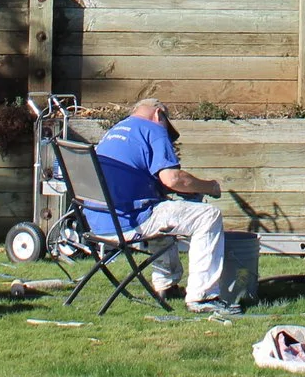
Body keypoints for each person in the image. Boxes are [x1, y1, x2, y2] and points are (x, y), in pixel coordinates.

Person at [86, 99, 240, 319]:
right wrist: (210, 186)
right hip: (130, 221)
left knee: (164, 213)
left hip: (99, 222)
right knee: (208, 215)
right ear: (159, 114)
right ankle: (203, 297)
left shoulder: (115, 131)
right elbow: (172, 178)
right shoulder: (154, 129)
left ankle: (166, 286)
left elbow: (132, 180)